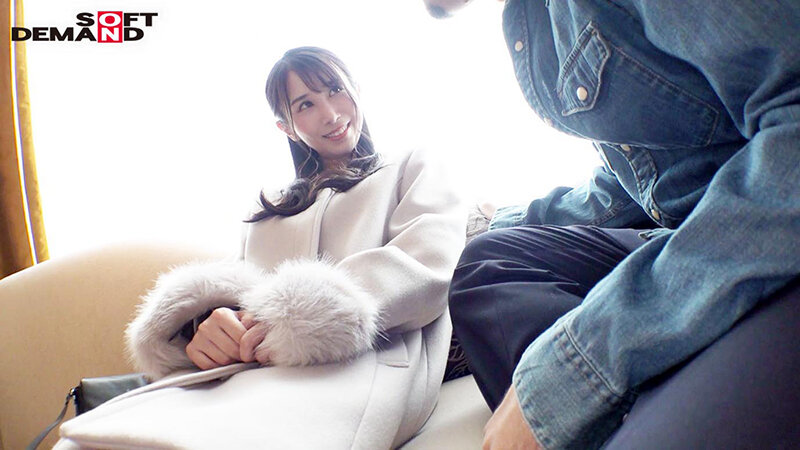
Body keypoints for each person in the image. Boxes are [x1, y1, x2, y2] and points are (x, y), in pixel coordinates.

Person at [422, 0, 800, 449]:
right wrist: (499, 222)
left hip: (762, 227)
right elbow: (636, 174)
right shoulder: (532, 20)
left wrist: (576, 369)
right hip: (678, 229)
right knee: (489, 263)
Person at [57, 47, 465, 449]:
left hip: (369, 369)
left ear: (356, 89)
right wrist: (203, 328)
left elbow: (427, 266)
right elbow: (244, 294)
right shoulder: (266, 211)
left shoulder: (411, 166)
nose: (330, 113)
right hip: (249, 378)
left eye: (335, 89)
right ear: (287, 128)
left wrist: (306, 318)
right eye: (306, 104)